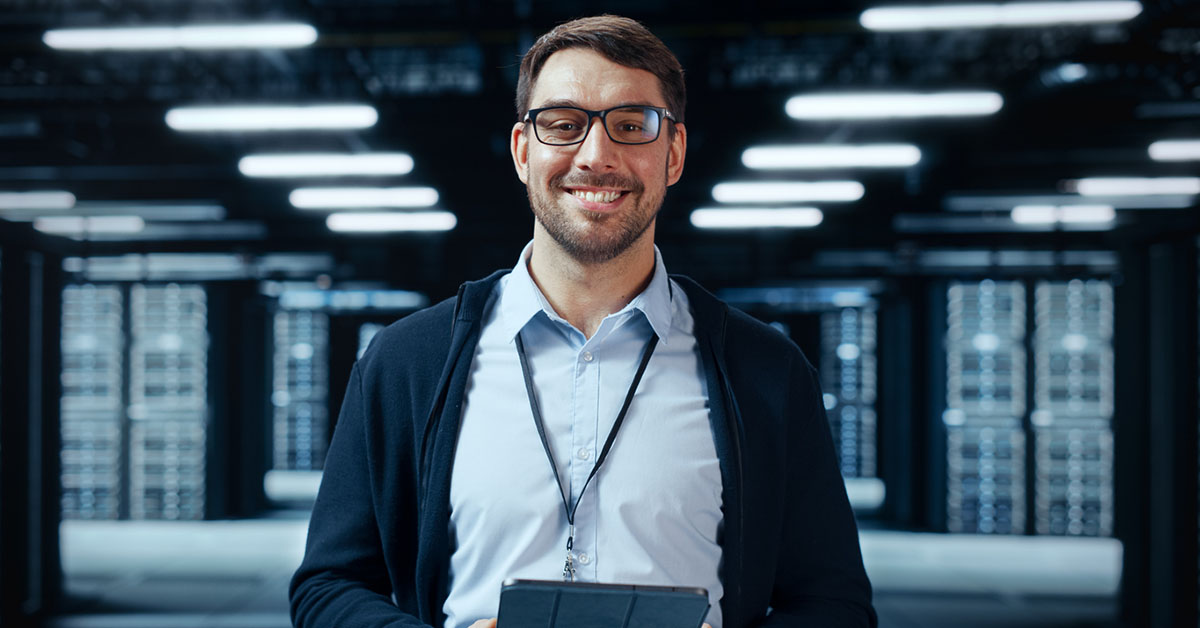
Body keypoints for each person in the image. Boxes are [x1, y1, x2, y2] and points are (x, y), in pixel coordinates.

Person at [290, 14, 876, 628]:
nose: (596, 157)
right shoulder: (405, 363)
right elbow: (330, 586)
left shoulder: (767, 374)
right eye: (564, 125)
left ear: (673, 152)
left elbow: (835, 606)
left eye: (631, 126)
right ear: (523, 150)